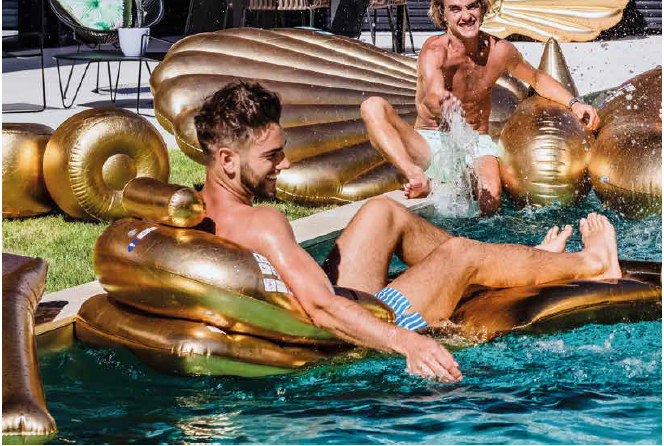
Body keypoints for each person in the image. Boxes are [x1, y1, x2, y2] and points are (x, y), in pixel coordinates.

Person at [196, 80, 621, 383]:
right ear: (228, 159)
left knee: (381, 212)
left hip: (344, 309)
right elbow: (323, 308)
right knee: (459, 253)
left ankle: (517, 265)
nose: (285, 164)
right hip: (360, 332)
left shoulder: (200, 210)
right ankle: (592, 262)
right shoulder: (262, 223)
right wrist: (406, 343)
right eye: (272, 156)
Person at [360, 0, 600, 212]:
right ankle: (416, 176)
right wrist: (441, 102)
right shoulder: (434, 50)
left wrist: (575, 104)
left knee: (491, 201)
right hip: (429, 143)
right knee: (372, 106)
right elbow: (432, 94)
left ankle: (443, 185)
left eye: (472, 6)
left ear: (482, 7)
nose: (466, 16)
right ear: (443, 14)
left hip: (475, 143)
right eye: (455, 9)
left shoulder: (499, 51)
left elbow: (537, 78)